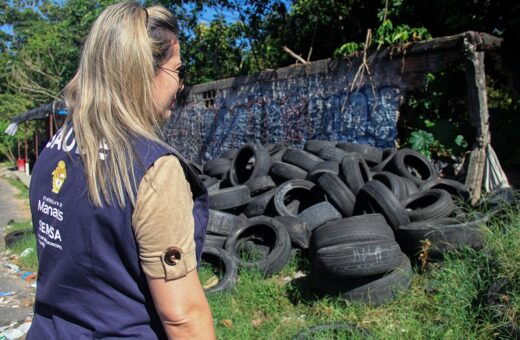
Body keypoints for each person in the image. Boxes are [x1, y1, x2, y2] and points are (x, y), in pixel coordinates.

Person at [27, 2, 215, 339]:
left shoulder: (56, 146)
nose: (181, 86)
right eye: (179, 71)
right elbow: (182, 317)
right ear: (144, 72)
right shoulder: (153, 169)